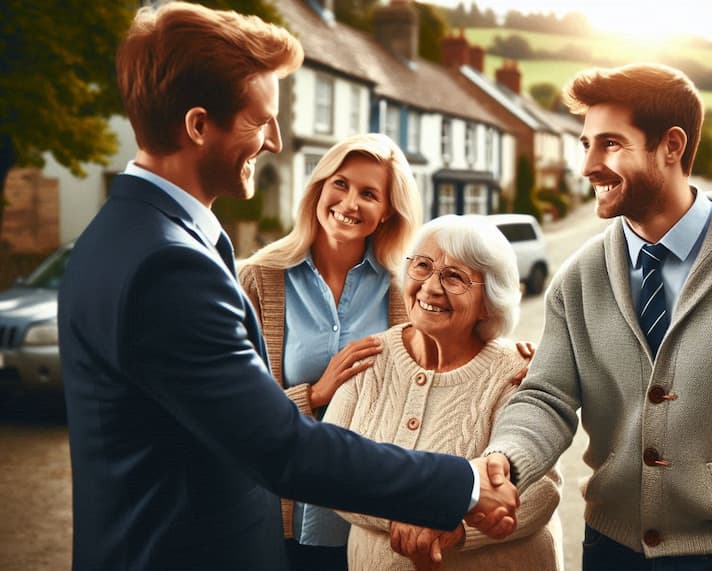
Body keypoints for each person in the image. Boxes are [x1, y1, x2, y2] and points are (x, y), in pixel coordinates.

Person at [57, 4, 517, 570]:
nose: (275, 140)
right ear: (198, 126)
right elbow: (278, 446)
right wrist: (462, 484)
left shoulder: (128, 233)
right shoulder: (168, 266)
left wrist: (499, 356)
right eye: (260, 121)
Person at [483, 63, 712, 571]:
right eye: (586, 144)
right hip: (608, 553)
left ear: (672, 146)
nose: (588, 166)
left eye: (610, 144)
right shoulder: (577, 279)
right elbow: (547, 398)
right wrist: (506, 460)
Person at [304, 215, 562, 570]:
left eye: (454, 277)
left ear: (488, 302)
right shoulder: (369, 358)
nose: (430, 287)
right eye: (422, 266)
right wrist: (411, 512)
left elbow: (541, 491)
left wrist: (455, 528)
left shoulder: (515, 371)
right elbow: (325, 469)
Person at [239, 133, 420, 570]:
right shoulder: (258, 278)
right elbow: (238, 413)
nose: (350, 203)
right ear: (319, 188)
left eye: (369, 194)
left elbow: (440, 368)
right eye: (340, 184)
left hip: (368, 516)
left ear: (386, 212)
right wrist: (315, 394)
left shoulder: (404, 288)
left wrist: (509, 358)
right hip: (277, 513)